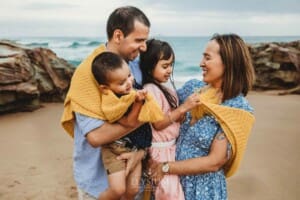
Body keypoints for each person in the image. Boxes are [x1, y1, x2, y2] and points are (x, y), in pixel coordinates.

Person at [149, 33, 255, 200]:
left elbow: (215, 161)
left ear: (228, 62)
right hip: (171, 186)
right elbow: (158, 112)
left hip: (202, 190)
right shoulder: (192, 88)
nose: (201, 63)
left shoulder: (237, 108)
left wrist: (165, 167)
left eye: (207, 58)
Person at [60, 6, 152, 199]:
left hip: (135, 179)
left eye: (145, 40)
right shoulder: (88, 73)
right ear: (118, 35)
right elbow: (96, 137)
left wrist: (141, 152)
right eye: (139, 40)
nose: (143, 47)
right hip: (99, 184)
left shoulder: (136, 64)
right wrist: (142, 118)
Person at [140, 39, 201, 199]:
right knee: (170, 193)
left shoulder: (166, 89)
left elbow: (171, 119)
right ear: (149, 66)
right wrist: (183, 108)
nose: (170, 70)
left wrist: (181, 116)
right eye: (165, 66)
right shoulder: (150, 90)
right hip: (160, 152)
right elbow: (158, 123)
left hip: (171, 150)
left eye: (171, 65)